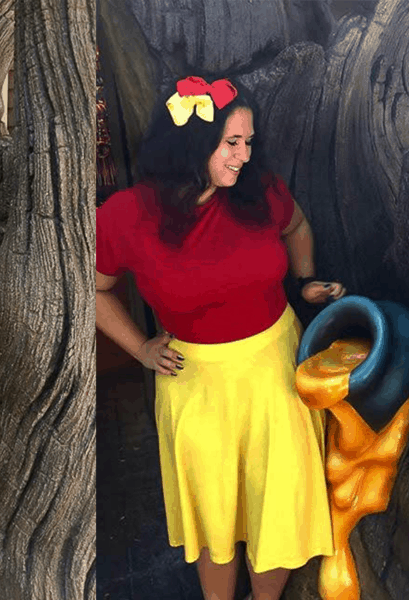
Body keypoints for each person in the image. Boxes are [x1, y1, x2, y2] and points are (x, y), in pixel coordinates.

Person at [96, 76, 346, 600]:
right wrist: (140, 348)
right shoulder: (126, 215)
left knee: (274, 512)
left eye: (249, 143)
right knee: (216, 517)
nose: (243, 157)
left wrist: (305, 281)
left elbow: (297, 226)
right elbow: (93, 290)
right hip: (196, 384)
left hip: (276, 371)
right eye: (232, 143)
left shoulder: (260, 190)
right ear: (191, 142)